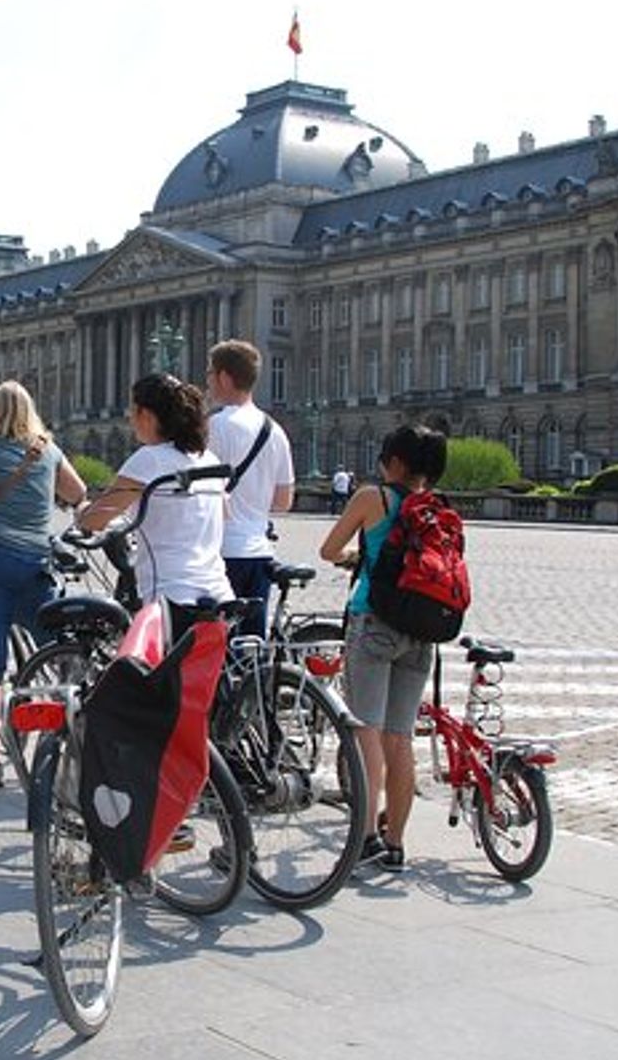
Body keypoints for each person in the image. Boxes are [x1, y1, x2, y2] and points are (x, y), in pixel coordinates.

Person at [318, 423, 450, 875]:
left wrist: (359, 558)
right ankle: (395, 844)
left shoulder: (372, 498)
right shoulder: (434, 506)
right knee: (400, 738)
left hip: (373, 622)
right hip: (420, 630)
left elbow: (328, 548)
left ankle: (366, 836)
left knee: (366, 733)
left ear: (395, 462)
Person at [0, 381, 87, 788]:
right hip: (35, 562)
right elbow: (77, 493)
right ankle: (68, 738)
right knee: (55, 651)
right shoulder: (47, 450)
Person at [79, 373, 233, 634]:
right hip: (220, 592)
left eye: (132, 411)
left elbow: (96, 518)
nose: (130, 419)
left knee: (140, 672)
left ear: (146, 415)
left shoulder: (149, 460)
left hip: (171, 594)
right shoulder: (209, 459)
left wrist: (82, 511)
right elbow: (225, 515)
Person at [204, 340, 293, 639]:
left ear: (225, 378)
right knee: (252, 648)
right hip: (259, 553)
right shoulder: (275, 430)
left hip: (220, 552)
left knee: (215, 646)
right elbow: (283, 500)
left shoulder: (214, 427)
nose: (208, 381)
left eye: (210, 374)